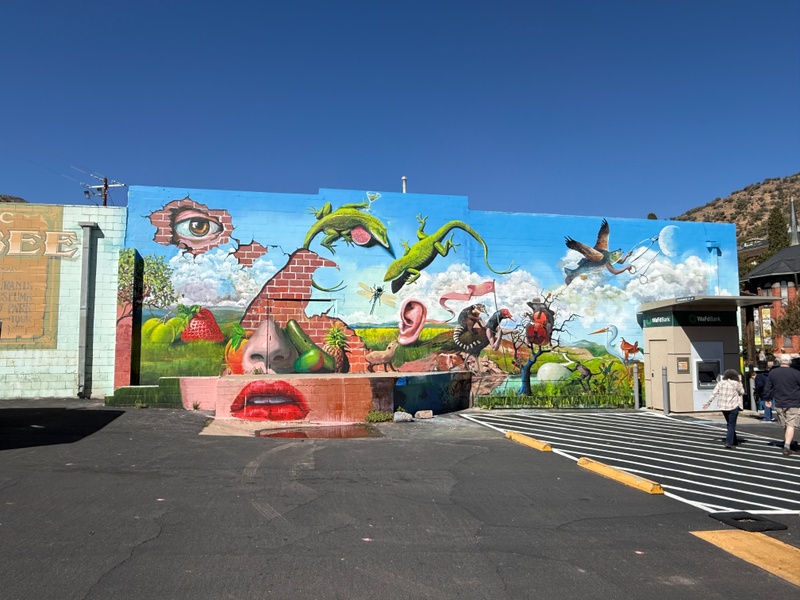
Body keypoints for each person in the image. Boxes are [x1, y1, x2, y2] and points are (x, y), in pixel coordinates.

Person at [762, 354, 800, 457]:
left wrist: (767, 398)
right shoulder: (796, 373)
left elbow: (768, 387)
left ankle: (788, 442)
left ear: (780, 362)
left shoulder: (773, 373)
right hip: (794, 402)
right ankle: (787, 445)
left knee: (785, 425)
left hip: (779, 402)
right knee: (791, 424)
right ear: (790, 362)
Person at [703, 369, 744, 449]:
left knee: (729, 423)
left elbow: (714, 393)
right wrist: (740, 384)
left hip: (723, 407)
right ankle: (729, 442)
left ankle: (734, 440)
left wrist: (708, 402)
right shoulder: (736, 384)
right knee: (731, 424)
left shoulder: (720, 383)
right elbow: (741, 392)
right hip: (733, 406)